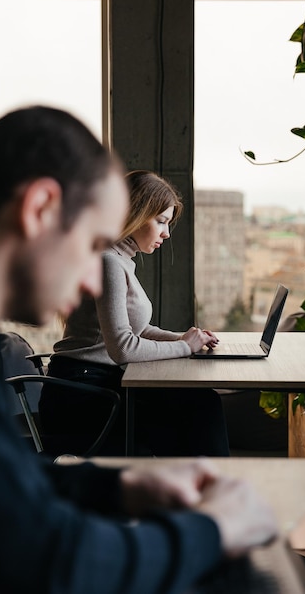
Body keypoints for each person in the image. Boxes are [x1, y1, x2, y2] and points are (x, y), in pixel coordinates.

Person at [0, 105, 277, 593]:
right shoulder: (110, 264)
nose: (90, 277)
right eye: (91, 242)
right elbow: (45, 558)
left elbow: (10, 496)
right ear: (39, 208)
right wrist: (212, 532)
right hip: (82, 392)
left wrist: (119, 487)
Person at [39, 170, 230, 457]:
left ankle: (199, 491)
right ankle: (209, 491)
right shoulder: (108, 263)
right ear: (134, 214)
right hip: (81, 394)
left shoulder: (120, 260)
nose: (166, 233)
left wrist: (184, 338)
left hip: (98, 384)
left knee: (197, 405)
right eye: (161, 221)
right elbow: (123, 348)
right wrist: (183, 347)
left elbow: (135, 331)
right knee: (198, 408)